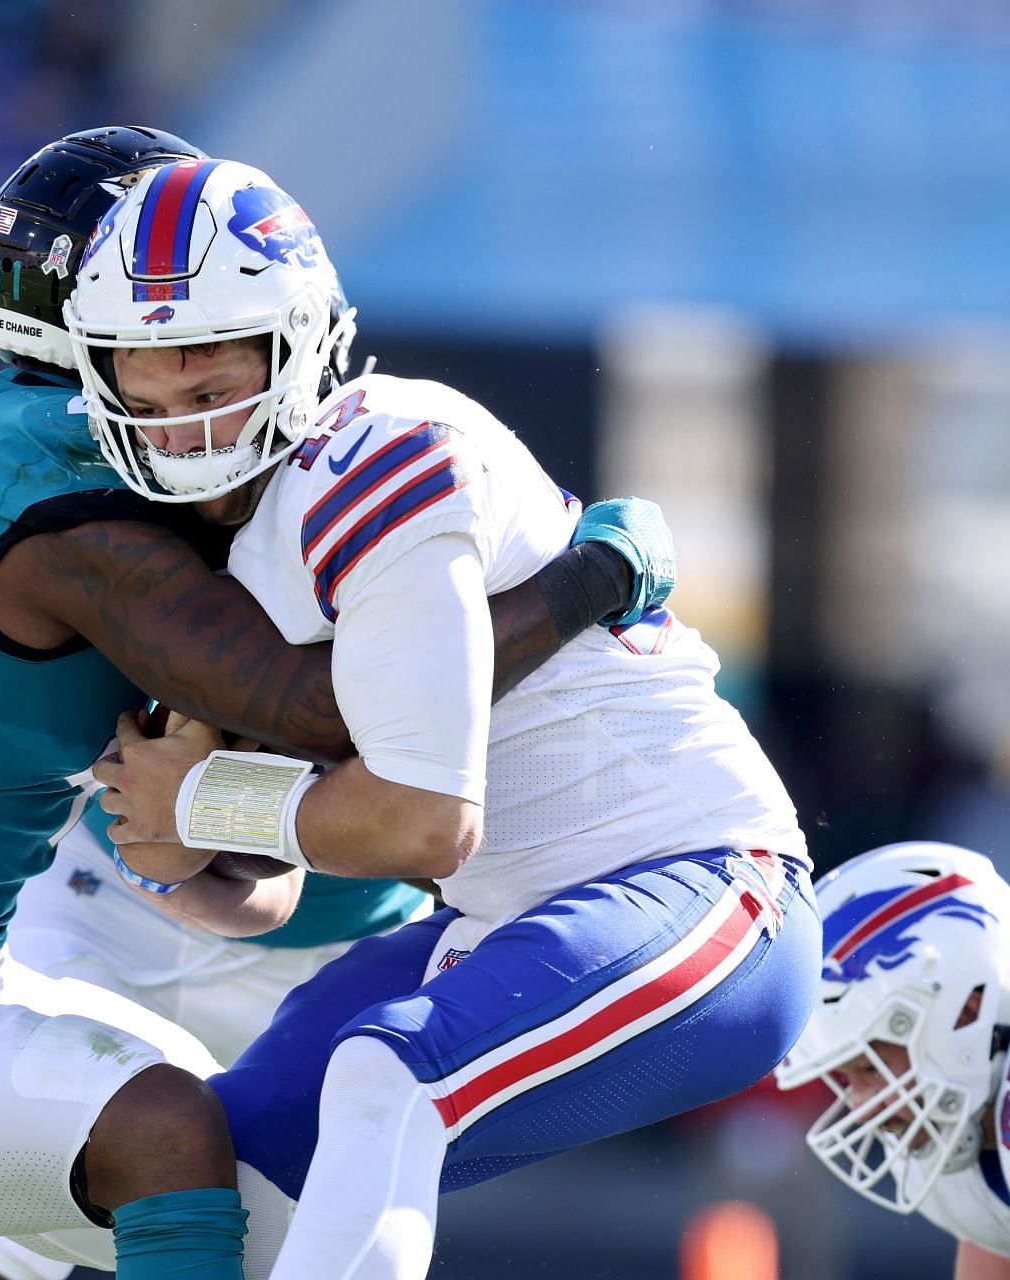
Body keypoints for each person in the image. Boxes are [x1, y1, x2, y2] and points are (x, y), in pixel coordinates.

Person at [0, 130, 675, 1280]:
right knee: (165, 1134)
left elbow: (257, 866)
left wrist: (220, 813)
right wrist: (591, 579)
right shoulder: (75, 496)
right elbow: (327, 713)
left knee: (246, 1180)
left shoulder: (15, 433)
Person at [68, 157, 819, 1279]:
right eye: (150, 390)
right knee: (207, 1153)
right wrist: (184, 849)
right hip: (497, 924)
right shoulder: (178, 534)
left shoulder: (378, 448)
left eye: (211, 380)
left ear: (299, 344)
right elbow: (265, 887)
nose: (184, 432)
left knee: (388, 1072)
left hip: (699, 880)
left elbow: (424, 822)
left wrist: (208, 797)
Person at [777, 841, 1010, 1279]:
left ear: (967, 1011)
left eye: (869, 1069)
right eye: (847, 1078)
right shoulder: (972, 1128)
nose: (861, 1106)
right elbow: (993, 1242)